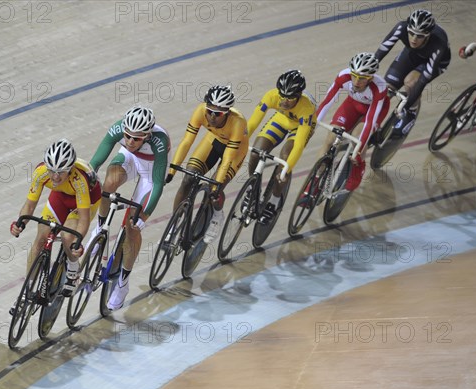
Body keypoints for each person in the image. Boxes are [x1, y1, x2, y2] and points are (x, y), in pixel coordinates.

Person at [89, 106, 171, 310]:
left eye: (136, 138)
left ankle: (123, 282)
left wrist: (145, 215)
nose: (130, 141)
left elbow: (158, 183)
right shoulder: (120, 130)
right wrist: (91, 172)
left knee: (131, 227)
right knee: (107, 185)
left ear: (147, 135)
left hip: (151, 173)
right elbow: (98, 157)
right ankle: (100, 228)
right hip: (130, 159)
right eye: (127, 136)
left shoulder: (159, 141)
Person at [9, 139, 101, 313]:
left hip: (86, 200)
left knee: (68, 237)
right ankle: (26, 291)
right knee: (41, 238)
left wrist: (77, 243)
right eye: (52, 171)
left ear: (70, 168)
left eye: (61, 172)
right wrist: (19, 223)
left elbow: (83, 219)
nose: (55, 176)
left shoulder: (79, 179)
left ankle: (73, 271)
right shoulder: (41, 172)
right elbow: (29, 205)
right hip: (60, 196)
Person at [165, 85, 248, 243]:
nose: (212, 117)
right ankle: (174, 224)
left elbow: (229, 157)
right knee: (187, 179)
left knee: (214, 189)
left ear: (227, 112)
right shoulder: (200, 110)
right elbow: (187, 141)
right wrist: (172, 170)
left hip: (235, 150)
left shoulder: (238, 123)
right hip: (213, 141)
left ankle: (217, 215)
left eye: (218, 114)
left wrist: (217, 185)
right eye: (209, 111)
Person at [245, 69, 317, 223]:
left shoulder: (306, 109)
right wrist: (240, 142)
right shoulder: (272, 96)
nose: (284, 101)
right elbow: (252, 123)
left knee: (285, 157)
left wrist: (287, 168)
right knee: (256, 153)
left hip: (300, 126)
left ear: (298, 96)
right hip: (281, 119)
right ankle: (253, 188)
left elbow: (298, 146)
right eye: (282, 95)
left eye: (290, 98)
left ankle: (275, 201)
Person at [315, 52, 390, 192]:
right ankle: (315, 180)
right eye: (354, 75)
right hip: (353, 104)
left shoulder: (379, 88)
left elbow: (370, 121)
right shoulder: (343, 76)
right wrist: (313, 122)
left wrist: (359, 150)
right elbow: (327, 102)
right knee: (330, 138)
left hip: (372, 110)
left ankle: (358, 169)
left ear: (371, 78)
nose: (356, 81)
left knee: (357, 138)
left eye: (362, 78)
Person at [374, 9, 451, 138]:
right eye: (411, 33)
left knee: (410, 82)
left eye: (420, 36)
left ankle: (411, 113)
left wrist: (407, 105)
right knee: (385, 90)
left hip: (434, 62)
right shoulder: (401, 27)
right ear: (408, 28)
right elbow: (382, 50)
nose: (414, 39)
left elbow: (423, 81)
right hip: (412, 54)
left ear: (428, 35)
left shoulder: (439, 44)